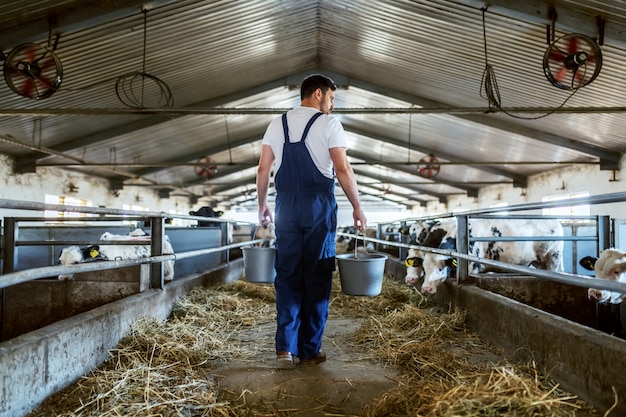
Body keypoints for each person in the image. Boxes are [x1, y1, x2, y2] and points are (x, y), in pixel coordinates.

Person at [256, 74, 367, 370]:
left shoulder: (276, 124)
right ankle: (309, 349)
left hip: (286, 207)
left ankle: (284, 350)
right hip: (318, 207)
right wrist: (357, 207)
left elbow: (263, 169)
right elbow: (342, 169)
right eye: (331, 98)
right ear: (318, 94)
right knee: (317, 275)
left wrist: (263, 205)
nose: (332, 104)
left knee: (288, 274)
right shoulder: (329, 124)